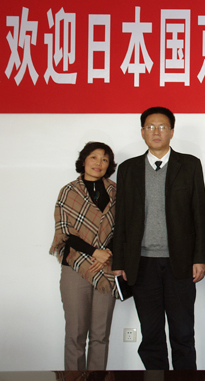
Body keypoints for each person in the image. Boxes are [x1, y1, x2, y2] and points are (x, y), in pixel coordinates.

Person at [112, 107, 205, 370]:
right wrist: (119, 261)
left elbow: (200, 214)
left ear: (172, 132)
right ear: (142, 132)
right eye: (150, 127)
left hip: (181, 264)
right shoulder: (129, 169)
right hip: (142, 264)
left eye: (162, 127)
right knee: (151, 334)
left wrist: (200, 258)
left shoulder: (189, 165)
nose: (156, 131)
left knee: (183, 333)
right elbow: (121, 218)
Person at [50, 141, 118, 370]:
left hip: (106, 269)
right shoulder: (69, 191)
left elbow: (123, 228)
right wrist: (94, 252)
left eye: (105, 159)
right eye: (94, 157)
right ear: (84, 161)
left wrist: (107, 253)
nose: (99, 163)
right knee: (76, 334)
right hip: (75, 267)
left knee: (101, 335)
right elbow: (64, 231)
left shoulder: (116, 191)